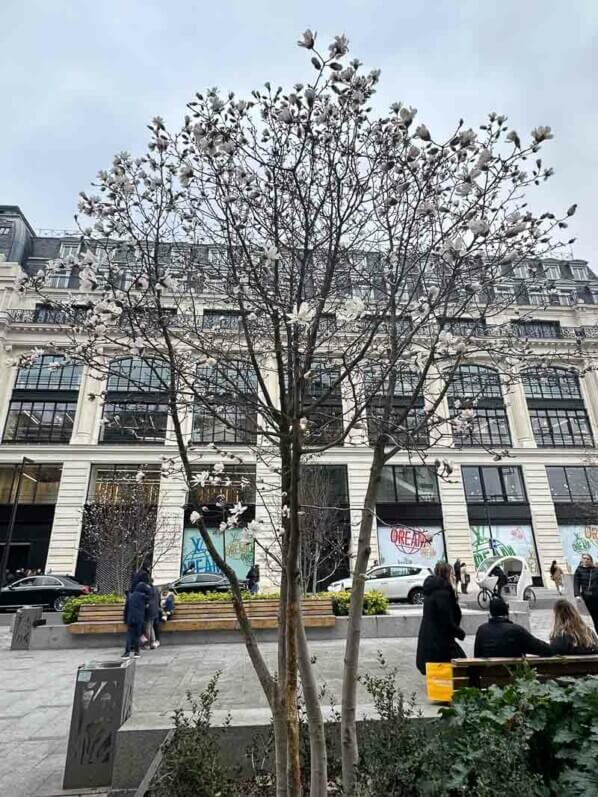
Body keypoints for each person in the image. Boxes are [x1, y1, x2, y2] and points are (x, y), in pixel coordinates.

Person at [416, 561, 466, 675]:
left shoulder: (432, 592)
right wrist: (460, 633)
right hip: (440, 645)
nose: (453, 576)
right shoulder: (442, 594)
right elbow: (446, 620)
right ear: (446, 574)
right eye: (451, 573)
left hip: (432, 641)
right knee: (464, 667)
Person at [474, 598, 553, 658]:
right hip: (513, 675)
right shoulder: (516, 630)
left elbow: (477, 655)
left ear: (490, 613)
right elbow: (541, 648)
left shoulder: (482, 630)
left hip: (488, 675)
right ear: (507, 613)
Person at [122, 581, 152, 658]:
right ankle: (136, 652)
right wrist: (149, 588)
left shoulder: (130, 596)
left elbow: (126, 609)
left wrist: (125, 619)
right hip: (138, 619)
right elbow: (151, 596)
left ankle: (127, 653)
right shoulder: (142, 596)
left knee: (129, 635)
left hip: (130, 619)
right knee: (137, 635)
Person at [573, 554, 598, 633]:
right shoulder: (579, 570)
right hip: (588, 597)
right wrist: (577, 595)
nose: (586, 560)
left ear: (591, 560)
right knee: (595, 616)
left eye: (588, 559)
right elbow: (576, 583)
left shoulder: (596, 570)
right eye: (584, 558)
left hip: (597, 594)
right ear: (582, 560)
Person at [145, 578, 161, 649]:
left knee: (148, 627)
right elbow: (159, 600)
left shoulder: (147, 590)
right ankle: (153, 642)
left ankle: (148, 644)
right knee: (151, 627)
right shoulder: (156, 589)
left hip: (149, 610)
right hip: (155, 610)